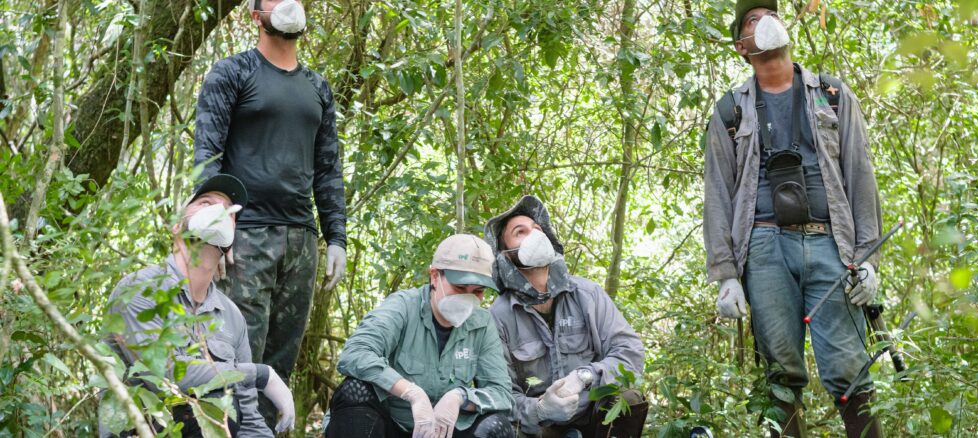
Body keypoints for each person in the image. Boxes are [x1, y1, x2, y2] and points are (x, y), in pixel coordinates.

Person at [702, 1, 884, 436]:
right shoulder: (731, 111)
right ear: (740, 46)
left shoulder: (833, 95)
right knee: (781, 377)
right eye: (751, 19)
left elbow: (861, 176)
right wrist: (726, 274)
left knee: (851, 372)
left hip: (831, 244)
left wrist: (870, 259)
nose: (763, 22)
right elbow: (717, 195)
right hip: (764, 248)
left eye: (770, 13)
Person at [192, 0, 348, 423]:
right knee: (235, 363)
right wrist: (213, 231)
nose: (288, 5)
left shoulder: (318, 87)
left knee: (279, 372)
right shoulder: (233, 72)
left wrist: (336, 237)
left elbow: (328, 168)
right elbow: (208, 152)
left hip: (301, 240)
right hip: (245, 237)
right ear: (254, 14)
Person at [104, 174, 295, 437]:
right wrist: (262, 375)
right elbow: (165, 375)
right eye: (206, 203)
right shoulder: (137, 289)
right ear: (176, 227)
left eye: (228, 212)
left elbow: (248, 417)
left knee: (229, 404)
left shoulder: (232, 317)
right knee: (213, 396)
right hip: (145, 429)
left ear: (229, 244)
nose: (218, 211)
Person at [484, 196, 648, 437]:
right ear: (506, 255)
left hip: (593, 418)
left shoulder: (587, 294)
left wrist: (587, 375)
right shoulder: (498, 317)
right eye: (520, 232)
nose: (534, 235)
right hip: (541, 428)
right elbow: (501, 395)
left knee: (629, 399)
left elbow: (630, 352)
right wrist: (540, 410)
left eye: (537, 229)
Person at [327, 234, 515, 438]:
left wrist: (460, 397)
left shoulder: (482, 322)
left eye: (478, 291)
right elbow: (355, 353)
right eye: (459, 287)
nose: (467, 298)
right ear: (435, 276)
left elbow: (501, 393)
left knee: (498, 426)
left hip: (446, 430)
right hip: (392, 425)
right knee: (354, 390)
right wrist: (412, 393)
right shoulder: (403, 306)